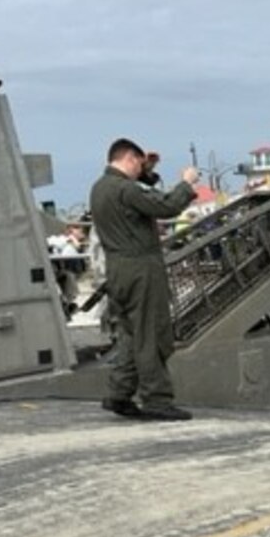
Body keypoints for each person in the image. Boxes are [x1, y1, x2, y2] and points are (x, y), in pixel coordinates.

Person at [89, 137, 199, 421]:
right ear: (130, 159)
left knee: (130, 334)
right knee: (152, 334)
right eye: (139, 164)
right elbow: (166, 206)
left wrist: (147, 172)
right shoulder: (125, 189)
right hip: (141, 268)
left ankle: (119, 392)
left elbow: (139, 197)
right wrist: (187, 183)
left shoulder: (100, 188)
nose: (141, 170)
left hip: (117, 270)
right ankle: (157, 400)